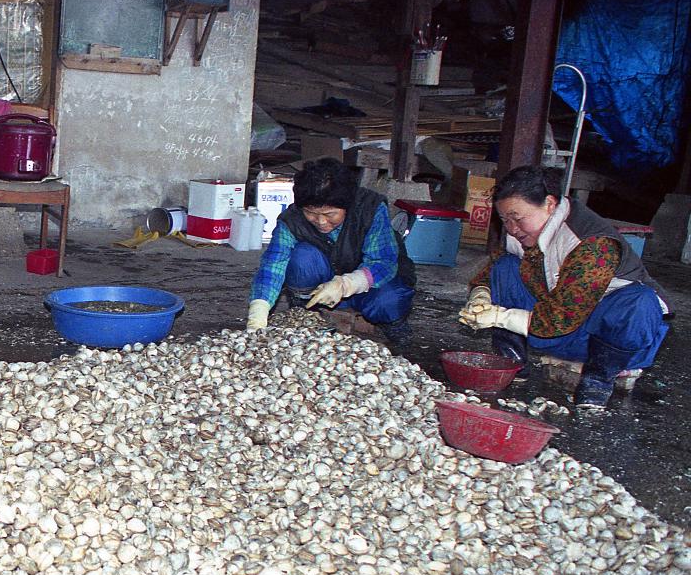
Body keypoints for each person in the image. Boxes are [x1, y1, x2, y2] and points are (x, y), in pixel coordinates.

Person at [458, 165, 671, 408]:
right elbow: (489, 274)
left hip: (607, 340)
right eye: (504, 220)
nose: (511, 228)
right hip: (561, 335)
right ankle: (512, 363)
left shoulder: (593, 244)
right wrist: (480, 296)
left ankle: (598, 380)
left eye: (517, 218)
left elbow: (562, 316)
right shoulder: (520, 235)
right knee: (505, 267)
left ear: (550, 204)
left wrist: (500, 316)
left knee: (639, 302)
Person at [246, 158, 416, 339]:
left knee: (388, 302)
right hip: (322, 288)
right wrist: (259, 308)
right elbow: (273, 264)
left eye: (330, 214)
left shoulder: (370, 209)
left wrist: (346, 284)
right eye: (311, 213)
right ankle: (306, 307)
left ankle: (393, 324)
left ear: (346, 206)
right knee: (302, 256)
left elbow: (383, 262)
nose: (321, 221)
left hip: (369, 286)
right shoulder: (292, 219)